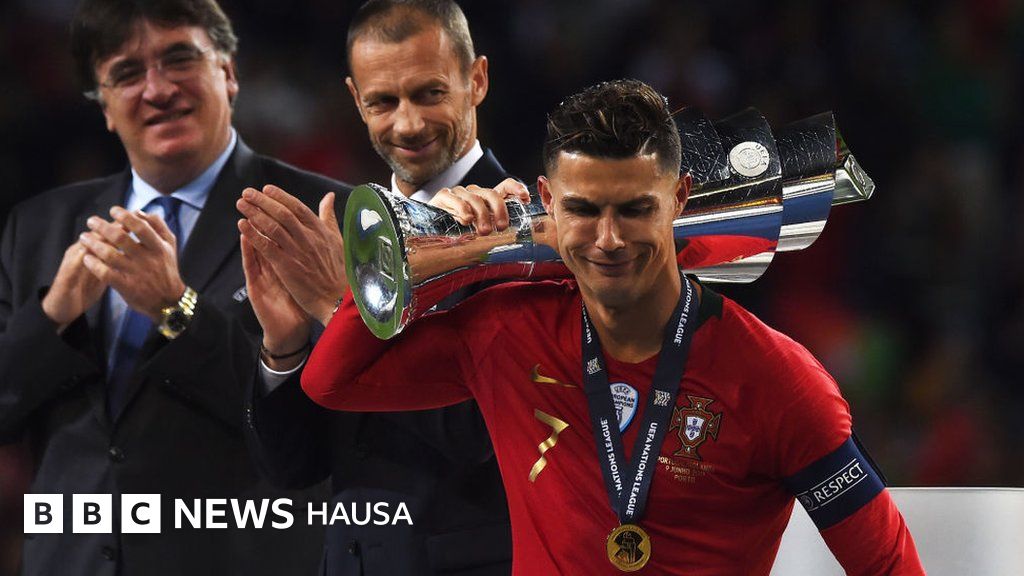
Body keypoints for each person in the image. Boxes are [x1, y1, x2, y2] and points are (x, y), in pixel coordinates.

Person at [301, 79, 925, 575]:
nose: (608, 239)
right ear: (546, 201)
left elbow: (888, 566)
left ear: (679, 198)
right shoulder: (506, 330)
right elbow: (331, 381)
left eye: (634, 209)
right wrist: (466, 251)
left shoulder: (777, 380)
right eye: (582, 209)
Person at [0, 0, 347, 574]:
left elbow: (319, 428)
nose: (158, 90)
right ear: (104, 107)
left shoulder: (319, 214)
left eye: (180, 59)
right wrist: (52, 315)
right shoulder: (38, 227)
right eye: (126, 74)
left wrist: (176, 308)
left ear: (229, 72)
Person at [237, 1, 514, 574]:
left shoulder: (525, 230)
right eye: (383, 102)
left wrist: (340, 309)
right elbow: (292, 470)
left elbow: (480, 436)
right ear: (355, 99)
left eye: (429, 93)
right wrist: (285, 349)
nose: (407, 125)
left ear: (477, 80)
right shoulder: (343, 237)